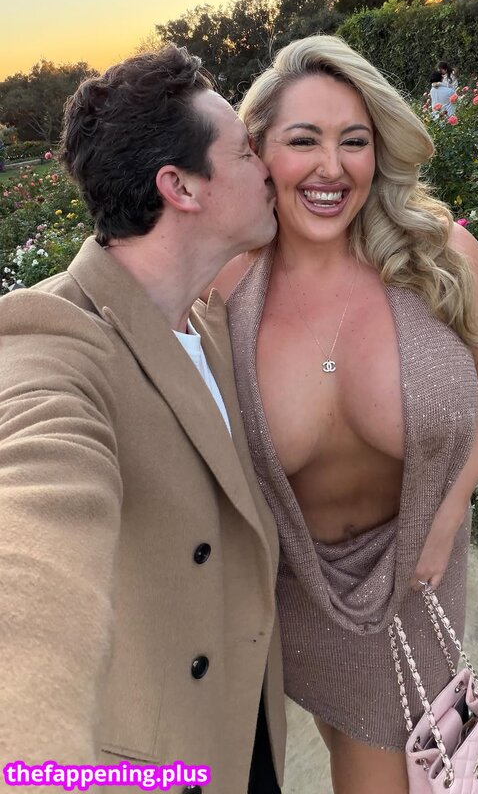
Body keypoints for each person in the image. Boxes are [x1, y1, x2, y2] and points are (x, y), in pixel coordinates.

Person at [212, 36, 478, 794]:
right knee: (349, 736)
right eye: (303, 141)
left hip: (419, 567)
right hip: (299, 589)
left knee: (393, 760)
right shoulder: (223, 291)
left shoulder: (440, 258)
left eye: (354, 141)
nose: (332, 167)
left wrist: (449, 511)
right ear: (259, 152)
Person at [0, 46, 285, 794]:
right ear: (180, 186)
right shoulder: (51, 336)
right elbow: (33, 530)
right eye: (246, 152)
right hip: (163, 762)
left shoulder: (208, 321)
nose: (268, 168)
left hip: (244, 724)